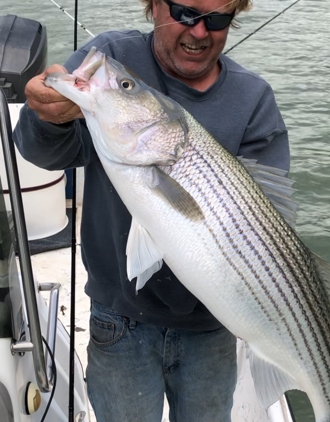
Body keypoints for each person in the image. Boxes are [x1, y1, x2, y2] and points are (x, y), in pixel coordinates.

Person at [14, 0, 290, 421]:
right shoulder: (112, 59)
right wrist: (49, 119)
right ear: (155, 5)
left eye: (217, 20)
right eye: (185, 13)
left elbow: (269, 225)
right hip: (118, 318)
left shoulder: (253, 99)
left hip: (211, 329)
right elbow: (44, 152)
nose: (199, 33)